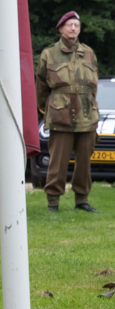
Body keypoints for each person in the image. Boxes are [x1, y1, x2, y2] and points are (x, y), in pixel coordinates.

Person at [36, 11, 101, 214]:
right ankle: (53, 202)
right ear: (61, 28)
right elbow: (41, 86)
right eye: (69, 25)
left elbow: (93, 87)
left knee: (84, 162)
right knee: (58, 162)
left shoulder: (89, 53)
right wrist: (48, 108)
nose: (73, 28)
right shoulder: (49, 53)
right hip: (60, 115)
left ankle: (82, 200)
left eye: (76, 25)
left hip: (86, 117)